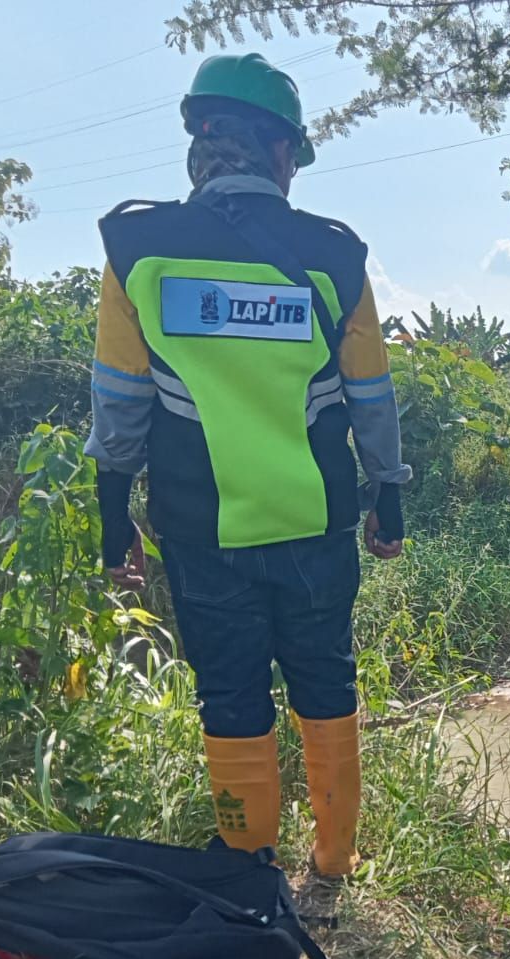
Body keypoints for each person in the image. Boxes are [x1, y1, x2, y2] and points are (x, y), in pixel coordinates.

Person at [84, 53, 409, 892]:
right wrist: (391, 499)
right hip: (314, 522)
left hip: (201, 528)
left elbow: (118, 405)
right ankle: (332, 866)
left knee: (230, 696)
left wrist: (113, 516)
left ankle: (249, 873)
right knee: (327, 684)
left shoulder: (137, 247)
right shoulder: (334, 258)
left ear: (200, 143)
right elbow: (371, 399)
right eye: (294, 158)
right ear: (279, 154)